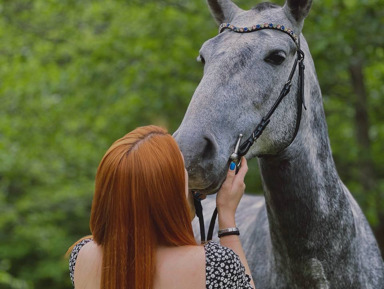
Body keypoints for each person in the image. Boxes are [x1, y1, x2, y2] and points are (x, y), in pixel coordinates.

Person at [67, 125, 254, 289]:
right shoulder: (214, 265)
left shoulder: (81, 256)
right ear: (167, 196)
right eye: (183, 171)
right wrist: (227, 217)